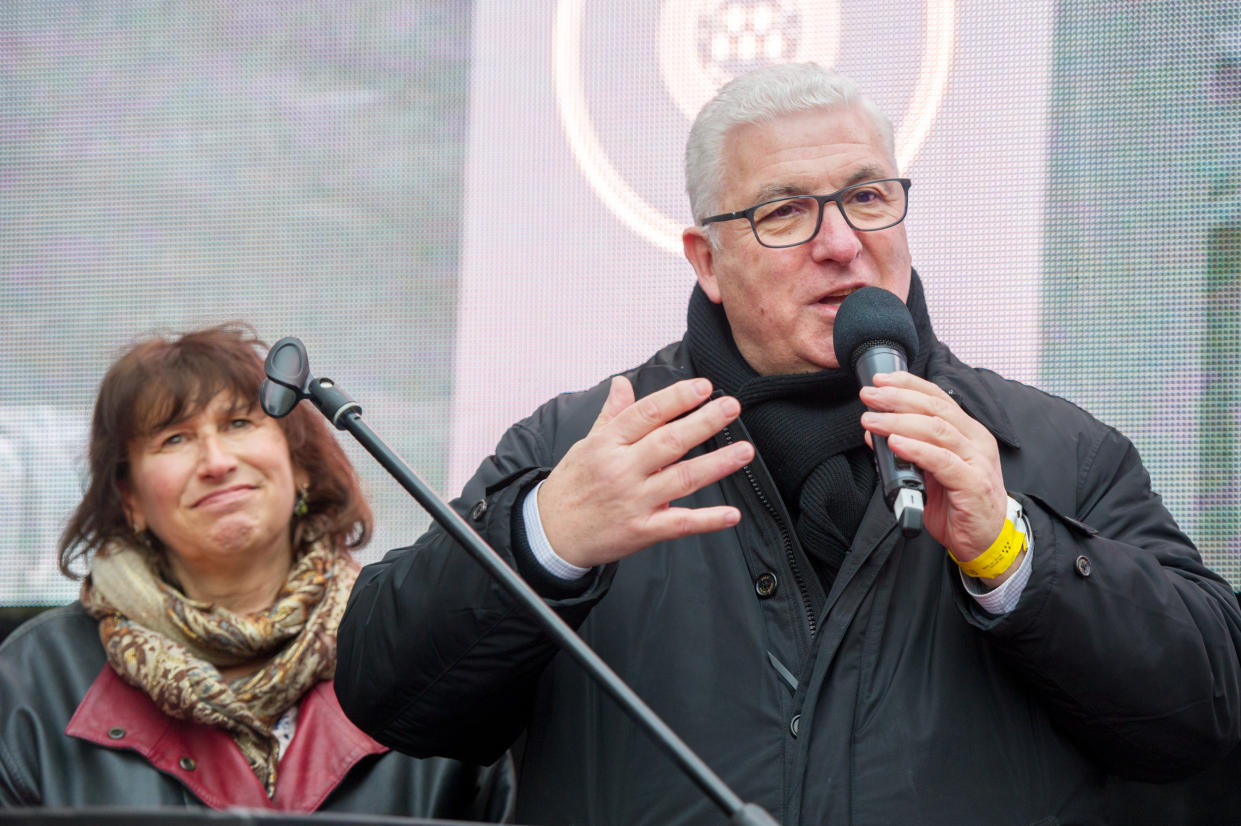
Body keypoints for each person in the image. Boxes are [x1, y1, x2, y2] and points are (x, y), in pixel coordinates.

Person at [333, 64, 1241, 825]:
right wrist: (539, 544)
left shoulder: (1048, 450)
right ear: (704, 260)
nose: (841, 242)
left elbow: (1204, 709)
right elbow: (387, 688)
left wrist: (1011, 553)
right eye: (782, 212)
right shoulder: (586, 442)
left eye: (867, 197)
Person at [0, 324, 514, 818]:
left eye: (239, 423)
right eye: (174, 439)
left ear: (301, 466)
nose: (216, 461)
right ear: (129, 499)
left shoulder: (427, 647)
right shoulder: (30, 681)